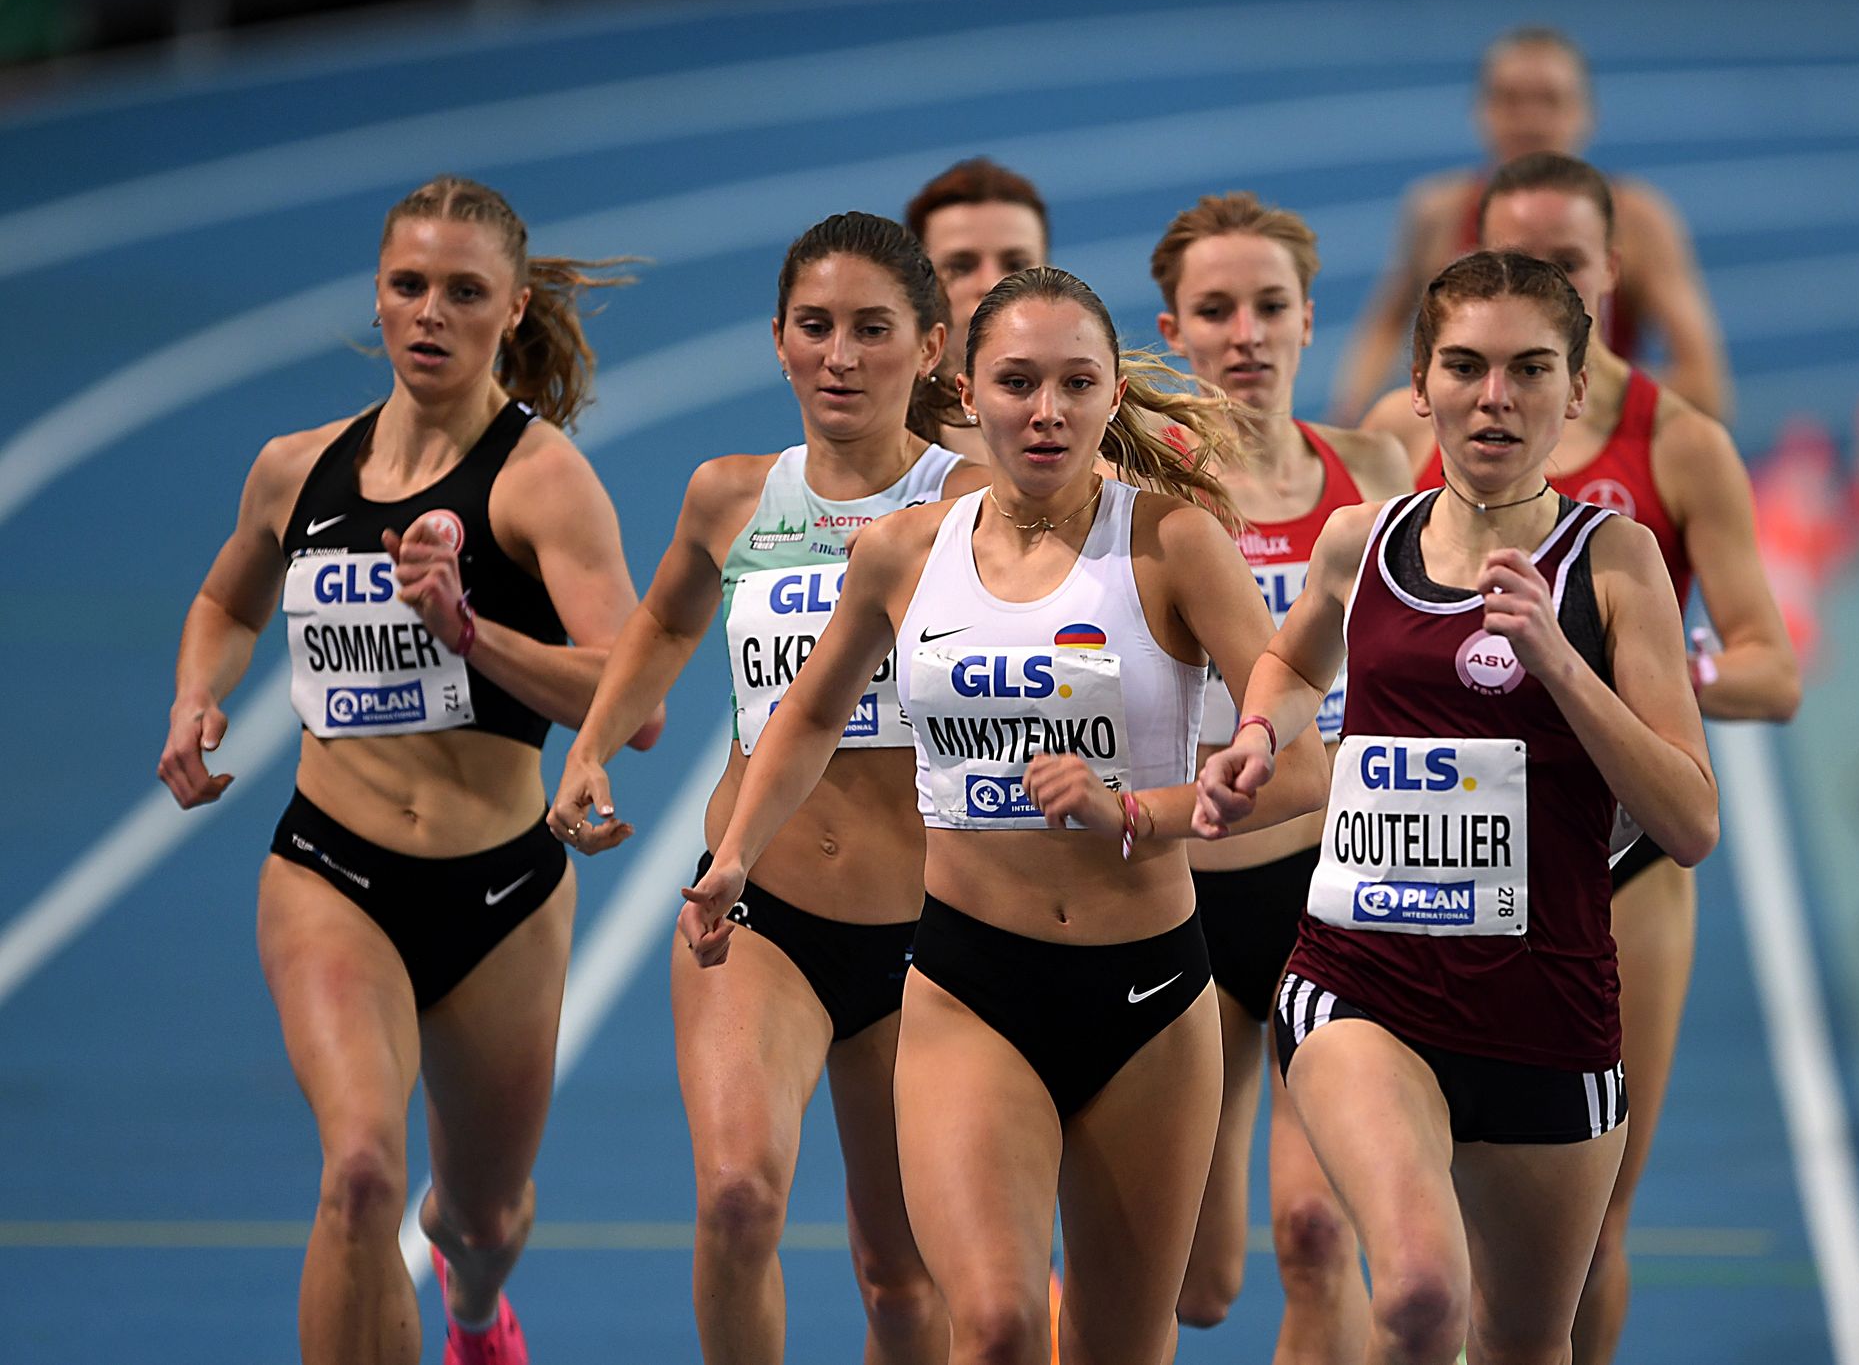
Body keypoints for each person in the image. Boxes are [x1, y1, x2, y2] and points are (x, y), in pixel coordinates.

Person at [683, 266, 1330, 1365]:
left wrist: (1141, 812)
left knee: (1121, 1346)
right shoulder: (903, 551)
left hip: (1146, 996)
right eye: (1018, 382)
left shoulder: (1172, 544)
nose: (1046, 411)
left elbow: (1303, 768)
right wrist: (736, 851)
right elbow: (810, 714)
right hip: (967, 987)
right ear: (966, 391)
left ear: (1111, 395)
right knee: (991, 1327)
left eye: (1076, 383)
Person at [156, 174, 657, 1365]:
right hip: (330, 871)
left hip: (500, 895)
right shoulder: (295, 469)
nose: (431, 312)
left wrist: (471, 636)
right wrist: (196, 691)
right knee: (362, 1173)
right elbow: (228, 599)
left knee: (478, 1220)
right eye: (409, 285)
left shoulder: (540, 482)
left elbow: (630, 702)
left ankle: (476, 1315)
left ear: (513, 308)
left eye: (464, 292)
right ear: (376, 298)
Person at [1201, 249, 1721, 1365]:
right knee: (1420, 1296)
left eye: (1529, 369)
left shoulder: (1614, 561)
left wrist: (1560, 663)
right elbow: (1289, 664)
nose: (1495, 397)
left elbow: (1689, 822)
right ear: (1420, 383)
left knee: (1524, 1341)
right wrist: (1260, 734)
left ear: (1573, 393)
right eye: (1466, 367)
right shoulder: (1362, 540)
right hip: (1362, 986)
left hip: (1548, 1012)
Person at [1362, 151, 1800, 1365]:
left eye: (1557, 262)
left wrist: (1629, 675)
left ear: (1606, 275)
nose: (1529, 279)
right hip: (1434, 864)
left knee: (1587, 1228)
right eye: (1504, 258)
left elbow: (1770, 670)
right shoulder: (1419, 435)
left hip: (1616, 870)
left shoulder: (1677, 444)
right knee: (1413, 1254)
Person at [549, 211, 982, 1365]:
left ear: (929, 347)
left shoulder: (976, 507)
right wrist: (590, 744)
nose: (839, 355)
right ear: (778, 340)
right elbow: (663, 621)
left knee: (900, 1273)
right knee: (737, 1200)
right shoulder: (729, 496)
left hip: (930, 932)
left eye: (872, 329)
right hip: (755, 909)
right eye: (814, 326)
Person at [1148, 192, 1407, 1359]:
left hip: (1339, 892)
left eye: (1268, 306)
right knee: (1194, 1282)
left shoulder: (1374, 468)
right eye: (1215, 310)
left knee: (1314, 1230)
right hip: (1183, 898)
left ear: (1308, 317)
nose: (1244, 334)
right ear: (1172, 331)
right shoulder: (1135, 485)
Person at [1332, 25, 1732, 425]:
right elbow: (1384, 329)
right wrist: (1351, 418)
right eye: (1510, 100)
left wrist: (1565, 388)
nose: (1530, 121)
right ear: (1481, 111)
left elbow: (1705, 388)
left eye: (1549, 101)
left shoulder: (1635, 219)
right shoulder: (1440, 212)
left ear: (1586, 113)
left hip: (1591, 435)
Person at [905, 157, 1052, 463]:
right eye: (960, 266)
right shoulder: (881, 451)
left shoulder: (1121, 443)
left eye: (1015, 264)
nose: (991, 284)